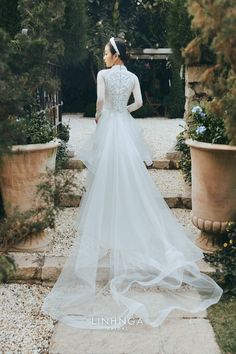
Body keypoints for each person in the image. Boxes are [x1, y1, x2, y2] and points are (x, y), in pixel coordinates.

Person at [41, 37, 223, 330]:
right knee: (130, 178)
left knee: (105, 179)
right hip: (124, 126)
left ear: (115, 55)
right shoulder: (134, 76)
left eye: (105, 53)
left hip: (109, 126)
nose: (103, 57)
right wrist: (123, 111)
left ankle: (109, 232)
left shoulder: (103, 75)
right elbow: (138, 102)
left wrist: (102, 116)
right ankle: (127, 229)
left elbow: (100, 102)